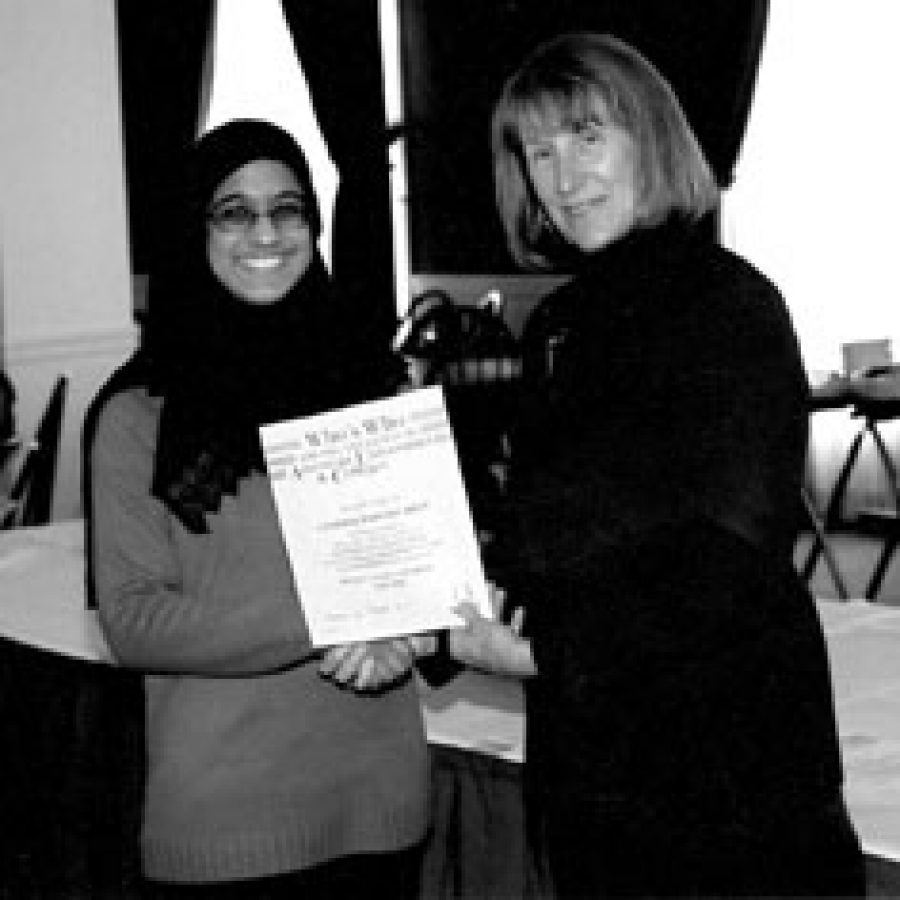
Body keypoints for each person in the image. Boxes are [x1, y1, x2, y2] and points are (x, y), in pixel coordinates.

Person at [448, 32, 866, 898]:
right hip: (597, 775)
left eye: (589, 136)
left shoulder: (732, 306)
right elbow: (546, 540)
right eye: (540, 152)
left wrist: (541, 653)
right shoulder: (559, 325)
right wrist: (432, 614)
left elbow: (730, 559)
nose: (565, 179)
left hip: (732, 781)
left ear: (650, 136)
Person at [88, 119, 431, 898]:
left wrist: (410, 627)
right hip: (226, 827)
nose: (266, 232)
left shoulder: (378, 387)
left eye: (289, 208)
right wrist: (337, 612)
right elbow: (134, 621)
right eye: (233, 211)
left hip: (382, 805)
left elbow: (431, 573)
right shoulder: (139, 415)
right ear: (192, 232)